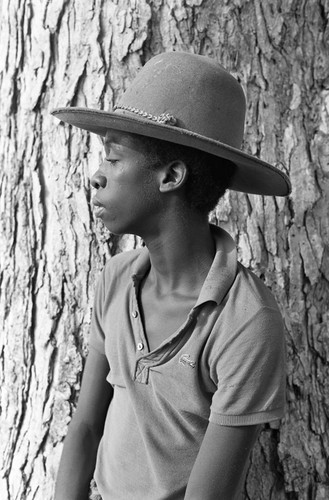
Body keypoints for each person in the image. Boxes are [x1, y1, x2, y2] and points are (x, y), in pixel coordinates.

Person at [52, 52, 290, 500]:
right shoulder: (118, 279)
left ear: (171, 176)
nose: (95, 176)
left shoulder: (246, 322)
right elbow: (86, 426)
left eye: (114, 157)